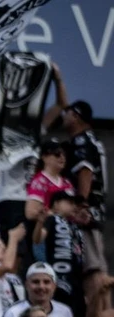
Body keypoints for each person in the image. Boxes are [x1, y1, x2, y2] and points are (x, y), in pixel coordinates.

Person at [57, 99, 107, 299]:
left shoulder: (82, 141)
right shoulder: (91, 139)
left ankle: (101, 312)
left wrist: (81, 204)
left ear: (76, 116)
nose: (64, 117)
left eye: (67, 113)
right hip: (94, 211)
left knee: (92, 267)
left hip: (87, 214)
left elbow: (85, 171)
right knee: (91, 266)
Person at [31, 192, 86, 313]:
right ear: (56, 204)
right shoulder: (52, 219)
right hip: (59, 279)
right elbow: (37, 239)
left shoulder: (74, 225)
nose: (73, 206)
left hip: (76, 280)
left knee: (78, 314)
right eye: (69, 203)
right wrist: (40, 222)